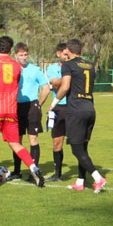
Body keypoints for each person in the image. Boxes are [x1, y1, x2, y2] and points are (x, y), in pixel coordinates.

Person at [0, 36, 44, 189]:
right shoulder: (17, 67)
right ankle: (32, 167)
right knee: (15, 143)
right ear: (11, 50)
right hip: (11, 110)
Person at [50, 39, 106, 193]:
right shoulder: (90, 64)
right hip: (90, 108)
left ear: (68, 50)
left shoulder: (68, 64)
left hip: (76, 109)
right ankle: (80, 181)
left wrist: (54, 101)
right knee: (83, 147)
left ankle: (98, 178)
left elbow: (65, 86)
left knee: (76, 148)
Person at [8, 42, 50, 182]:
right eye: (21, 55)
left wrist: (39, 103)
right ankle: (17, 171)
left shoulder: (35, 69)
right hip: (16, 107)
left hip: (32, 106)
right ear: (15, 55)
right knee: (17, 140)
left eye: (26, 54)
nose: (24, 57)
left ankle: (34, 171)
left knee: (33, 139)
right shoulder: (12, 69)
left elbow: (46, 87)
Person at [45, 43, 69, 181]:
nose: (66, 56)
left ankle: (82, 175)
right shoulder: (52, 68)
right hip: (58, 107)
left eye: (68, 54)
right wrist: (67, 77)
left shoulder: (73, 66)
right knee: (56, 142)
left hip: (72, 107)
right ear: (58, 54)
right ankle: (58, 174)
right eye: (64, 54)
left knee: (77, 142)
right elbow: (55, 84)